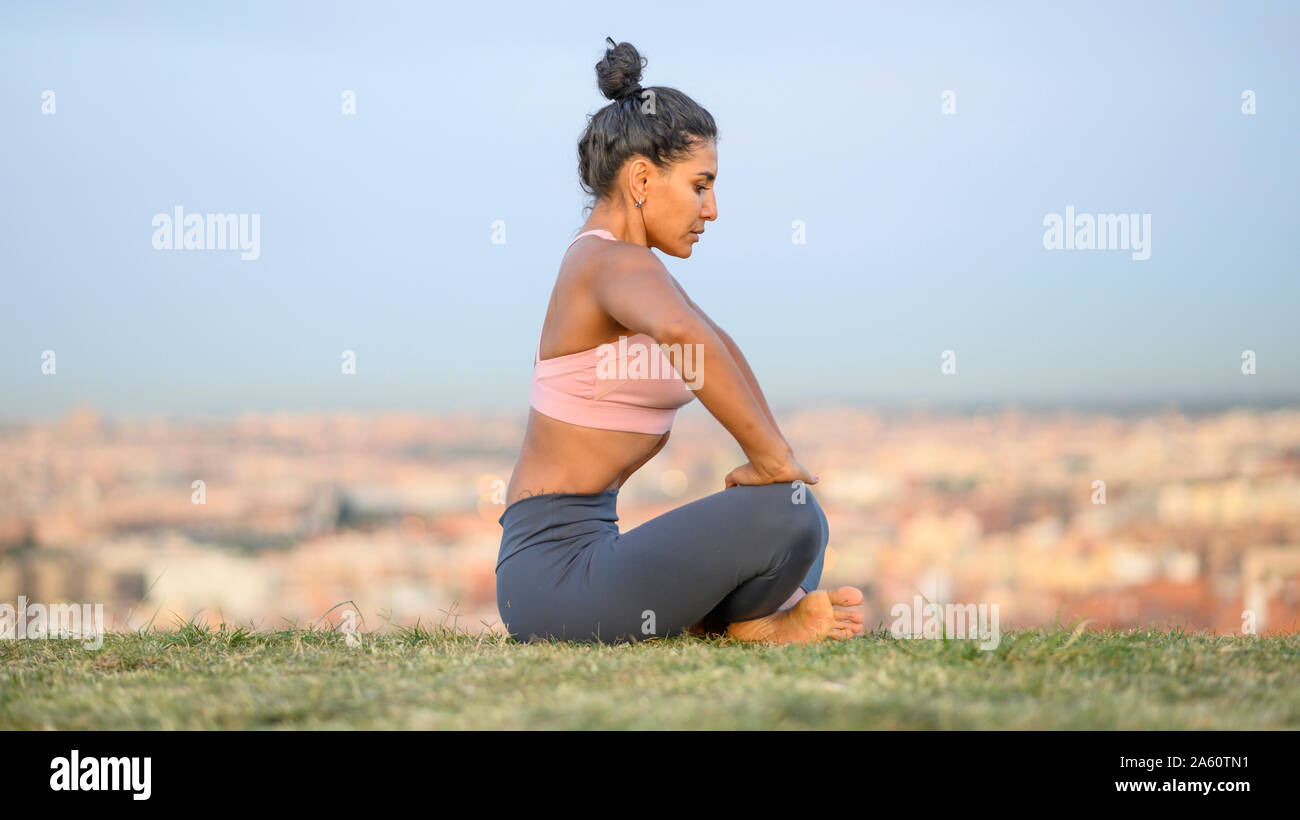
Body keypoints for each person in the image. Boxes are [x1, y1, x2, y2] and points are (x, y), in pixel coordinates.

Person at [496, 38, 864, 644]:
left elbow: (718, 342)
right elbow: (685, 334)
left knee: (796, 512)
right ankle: (745, 628)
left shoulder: (631, 266)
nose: (711, 209)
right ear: (642, 178)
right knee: (789, 514)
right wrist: (773, 463)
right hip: (552, 578)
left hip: (579, 563)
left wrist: (776, 459)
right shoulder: (608, 264)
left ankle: (739, 627)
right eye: (700, 186)